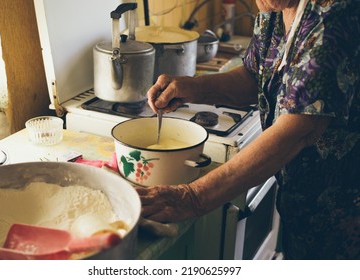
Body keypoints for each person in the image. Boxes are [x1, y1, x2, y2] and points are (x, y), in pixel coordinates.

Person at [135, 0, 360, 260]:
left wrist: (193, 197)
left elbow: (299, 129)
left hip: (344, 217)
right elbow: (254, 77)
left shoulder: (335, 12)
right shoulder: (275, 10)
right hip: (303, 207)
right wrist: (192, 88)